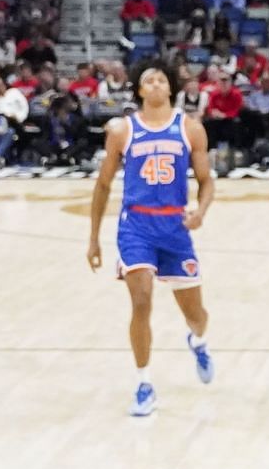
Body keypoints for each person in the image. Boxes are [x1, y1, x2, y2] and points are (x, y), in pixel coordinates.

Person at [86, 59, 217, 417]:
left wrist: (201, 212)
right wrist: (94, 238)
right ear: (140, 90)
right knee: (141, 302)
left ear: (170, 88)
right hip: (136, 227)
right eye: (149, 80)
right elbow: (102, 185)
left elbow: (206, 181)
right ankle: (144, 384)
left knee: (195, 313)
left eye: (161, 79)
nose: (156, 84)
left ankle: (198, 340)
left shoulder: (189, 128)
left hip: (175, 228)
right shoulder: (121, 130)